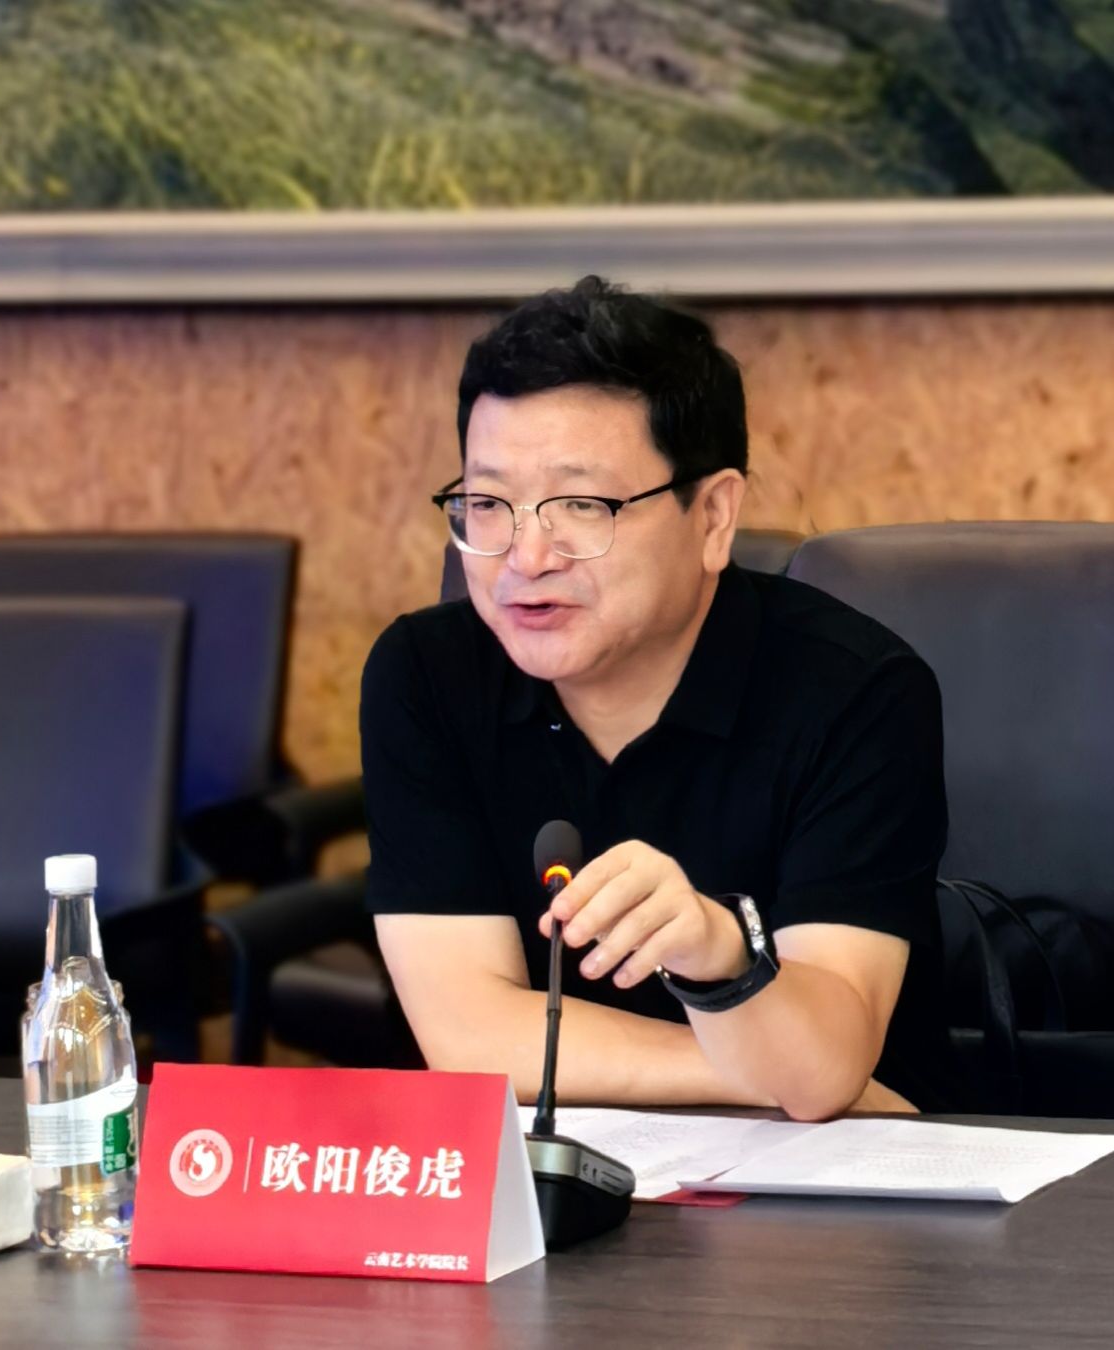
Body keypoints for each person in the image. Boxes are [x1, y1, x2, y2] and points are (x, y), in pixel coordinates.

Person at [362, 276, 953, 1120]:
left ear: (712, 516)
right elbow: (468, 1037)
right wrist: (772, 1074)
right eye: (487, 503)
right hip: (553, 1170)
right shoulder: (426, 673)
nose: (525, 557)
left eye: (581, 504)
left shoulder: (856, 692)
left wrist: (722, 958)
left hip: (823, 1179)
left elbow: (829, 1047)